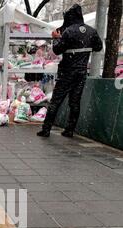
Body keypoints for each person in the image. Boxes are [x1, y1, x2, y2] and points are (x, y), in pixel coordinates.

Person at [37, 4, 103, 138]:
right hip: (81, 73)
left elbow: (57, 50)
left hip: (67, 71)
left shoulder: (69, 31)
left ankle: (46, 129)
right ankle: (69, 130)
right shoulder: (91, 31)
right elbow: (98, 47)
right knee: (75, 101)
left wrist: (55, 38)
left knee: (56, 101)